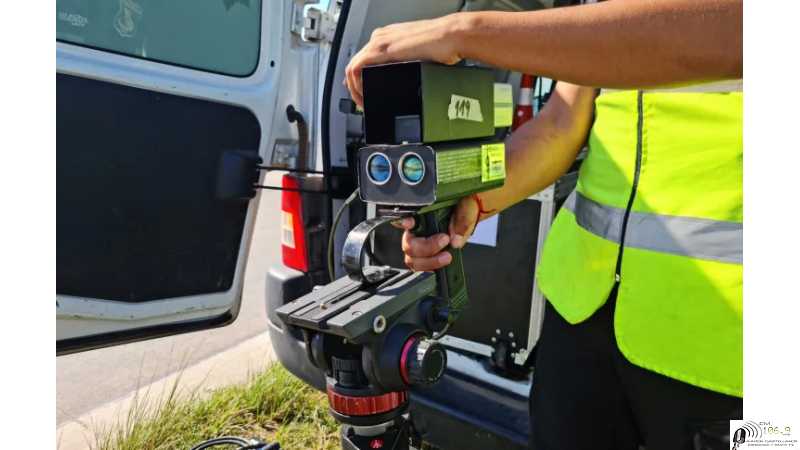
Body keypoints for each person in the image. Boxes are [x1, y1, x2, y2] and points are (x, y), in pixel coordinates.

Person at [344, 1, 743, 449]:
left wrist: (465, 31)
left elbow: (736, 32)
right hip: (584, 311)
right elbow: (560, 126)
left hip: (731, 344)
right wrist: (469, 198)